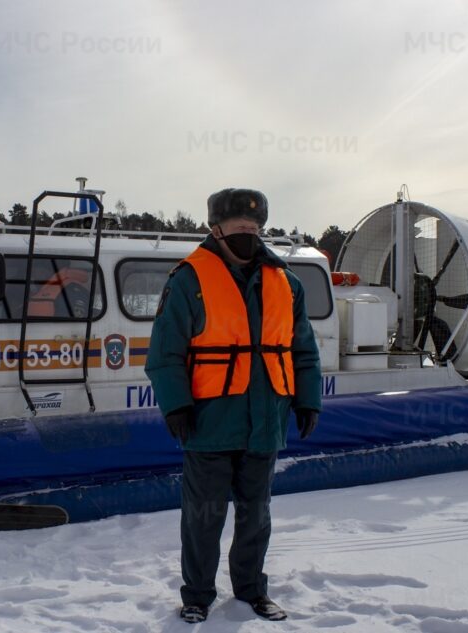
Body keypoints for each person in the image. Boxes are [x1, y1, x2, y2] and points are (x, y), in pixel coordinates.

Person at [145, 188, 322, 624]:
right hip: (209, 421)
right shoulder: (188, 279)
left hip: (265, 421)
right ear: (215, 229)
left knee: (255, 515)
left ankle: (251, 590)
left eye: (255, 228)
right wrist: (176, 406)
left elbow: (303, 351)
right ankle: (197, 596)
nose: (248, 234)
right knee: (203, 517)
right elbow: (164, 353)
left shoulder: (286, 282)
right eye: (239, 228)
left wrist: (308, 399)